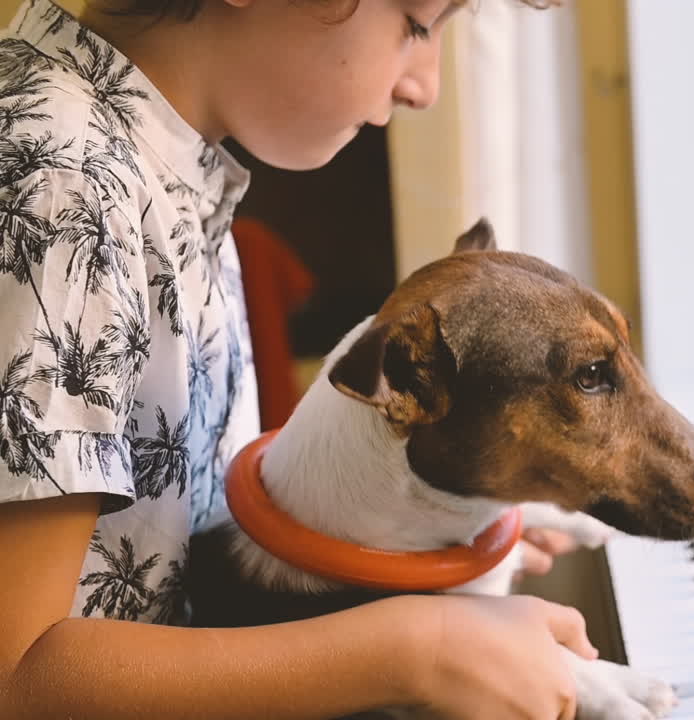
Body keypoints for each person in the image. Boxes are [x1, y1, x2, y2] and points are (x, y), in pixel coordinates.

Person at [0, 0, 594, 717]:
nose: (424, 85)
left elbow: (165, 556)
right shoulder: (62, 183)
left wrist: (408, 528)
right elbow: (19, 676)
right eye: (415, 24)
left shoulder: (147, 156)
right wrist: (415, 648)